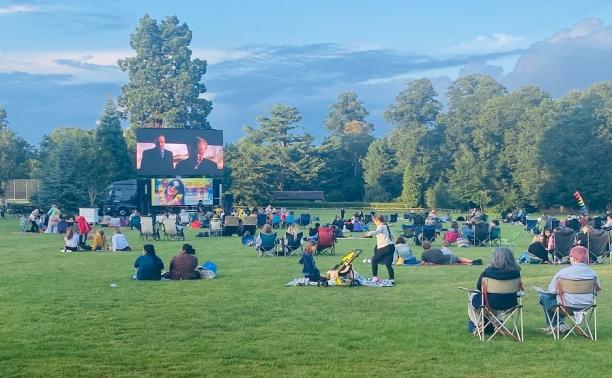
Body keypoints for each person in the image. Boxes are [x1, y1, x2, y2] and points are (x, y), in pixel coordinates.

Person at [538, 246, 601, 333]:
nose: (569, 258)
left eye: (570, 256)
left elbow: (551, 290)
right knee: (554, 299)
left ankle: (556, 325)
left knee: (544, 296)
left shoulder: (563, 273)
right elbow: (596, 291)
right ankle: (559, 325)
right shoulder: (593, 274)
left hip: (566, 306)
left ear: (574, 258)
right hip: (586, 306)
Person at [467, 247, 522, 332]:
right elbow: (519, 289)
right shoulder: (516, 273)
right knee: (498, 298)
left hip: (490, 303)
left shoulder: (488, 273)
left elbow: (479, 287)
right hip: (510, 303)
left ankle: (479, 324)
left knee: (472, 296)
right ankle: (498, 323)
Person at [364, 215, 395, 283]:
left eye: (374, 221)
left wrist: (369, 233)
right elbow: (392, 236)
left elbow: (377, 232)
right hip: (391, 246)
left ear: (378, 220)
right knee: (388, 264)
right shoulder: (386, 226)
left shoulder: (381, 226)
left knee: (374, 261)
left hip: (385, 247)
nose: (374, 223)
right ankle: (392, 279)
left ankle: (375, 277)